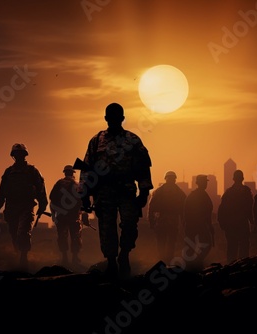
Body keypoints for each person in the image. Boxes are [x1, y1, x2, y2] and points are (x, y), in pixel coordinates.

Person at [79, 102, 153, 277]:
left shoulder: (132, 140)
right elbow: (87, 168)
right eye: (110, 117)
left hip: (126, 190)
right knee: (106, 228)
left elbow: (143, 167)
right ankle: (112, 261)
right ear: (106, 119)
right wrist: (84, 194)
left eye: (116, 117)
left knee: (129, 224)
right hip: (103, 192)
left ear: (122, 119)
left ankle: (124, 254)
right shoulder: (96, 141)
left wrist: (144, 192)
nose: (113, 120)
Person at [0, 143, 48, 270]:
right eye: (16, 154)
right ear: (13, 156)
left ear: (24, 155)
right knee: (13, 233)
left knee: (23, 232)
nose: (19, 157)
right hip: (11, 207)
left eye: (21, 154)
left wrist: (42, 204)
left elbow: (41, 188)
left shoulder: (32, 171)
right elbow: (1, 193)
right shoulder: (8, 172)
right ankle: (17, 256)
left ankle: (23, 258)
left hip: (26, 206)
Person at [147, 170, 186, 263]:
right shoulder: (179, 192)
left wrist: (151, 221)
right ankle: (167, 259)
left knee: (162, 241)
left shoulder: (159, 191)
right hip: (169, 220)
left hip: (162, 220)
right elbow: (184, 208)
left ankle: (163, 259)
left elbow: (151, 207)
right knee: (169, 241)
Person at [217, 169, 254, 264]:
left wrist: (223, 224)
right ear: (242, 178)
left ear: (233, 179)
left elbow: (222, 209)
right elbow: (250, 208)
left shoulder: (228, 192)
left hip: (231, 225)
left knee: (232, 247)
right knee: (244, 247)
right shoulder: (246, 191)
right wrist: (253, 222)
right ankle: (243, 267)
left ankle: (231, 267)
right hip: (242, 224)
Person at [49, 165, 83, 266]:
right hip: (74, 216)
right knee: (75, 236)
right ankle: (75, 259)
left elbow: (52, 199)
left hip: (61, 216)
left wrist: (54, 214)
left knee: (62, 236)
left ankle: (65, 258)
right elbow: (82, 201)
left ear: (64, 173)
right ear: (73, 173)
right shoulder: (77, 184)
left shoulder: (59, 184)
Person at [183, 174, 214, 271]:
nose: (205, 184)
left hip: (192, 224)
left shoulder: (192, 195)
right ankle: (195, 263)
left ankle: (192, 265)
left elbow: (186, 211)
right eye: (204, 182)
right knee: (206, 244)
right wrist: (209, 226)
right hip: (198, 224)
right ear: (199, 183)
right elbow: (207, 213)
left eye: (205, 182)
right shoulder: (201, 196)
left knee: (192, 246)